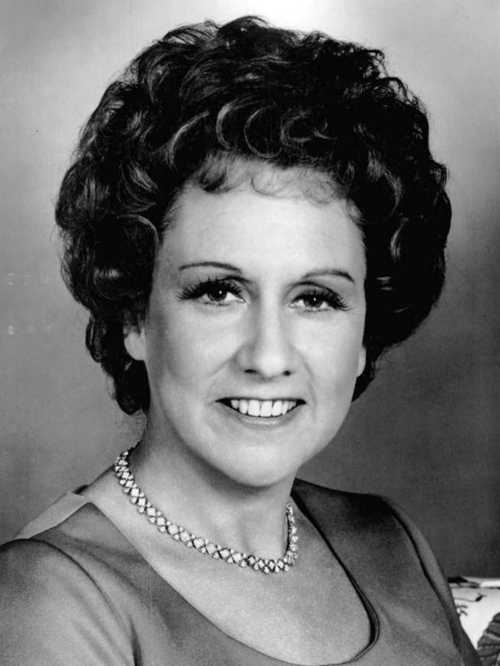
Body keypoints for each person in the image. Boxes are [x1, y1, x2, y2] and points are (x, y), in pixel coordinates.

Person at [0, 16, 480, 665]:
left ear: (366, 332)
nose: (269, 356)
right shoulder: (49, 598)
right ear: (134, 317)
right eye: (219, 292)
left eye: (316, 299)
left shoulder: (389, 541)